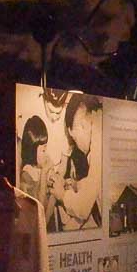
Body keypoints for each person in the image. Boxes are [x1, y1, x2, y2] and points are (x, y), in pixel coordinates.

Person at [49, 94, 102, 230]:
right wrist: (76, 184)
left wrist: (62, 194)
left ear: (82, 126)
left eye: (75, 139)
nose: (76, 144)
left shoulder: (99, 141)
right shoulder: (99, 127)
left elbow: (83, 208)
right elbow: (96, 183)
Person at [19, 116, 54, 224]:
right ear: (32, 151)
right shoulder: (27, 174)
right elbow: (40, 208)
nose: (46, 154)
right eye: (43, 150)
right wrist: (44, 172)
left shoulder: (37, 169)